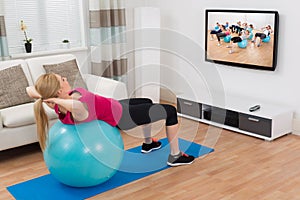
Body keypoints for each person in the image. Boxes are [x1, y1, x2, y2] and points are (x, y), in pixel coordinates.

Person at [26, 73, 195, 167]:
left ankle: (148, 143)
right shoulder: (77, 108)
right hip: (123, 117)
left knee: (147, 102)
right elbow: (75, 106)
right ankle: (175, 155)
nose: (66, 79)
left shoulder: (57, 106)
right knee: (170, 111)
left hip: (116, 106)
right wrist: (54, 99)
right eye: (63, 80)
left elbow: (29, 90)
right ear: (57, 92)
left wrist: (49, 97)